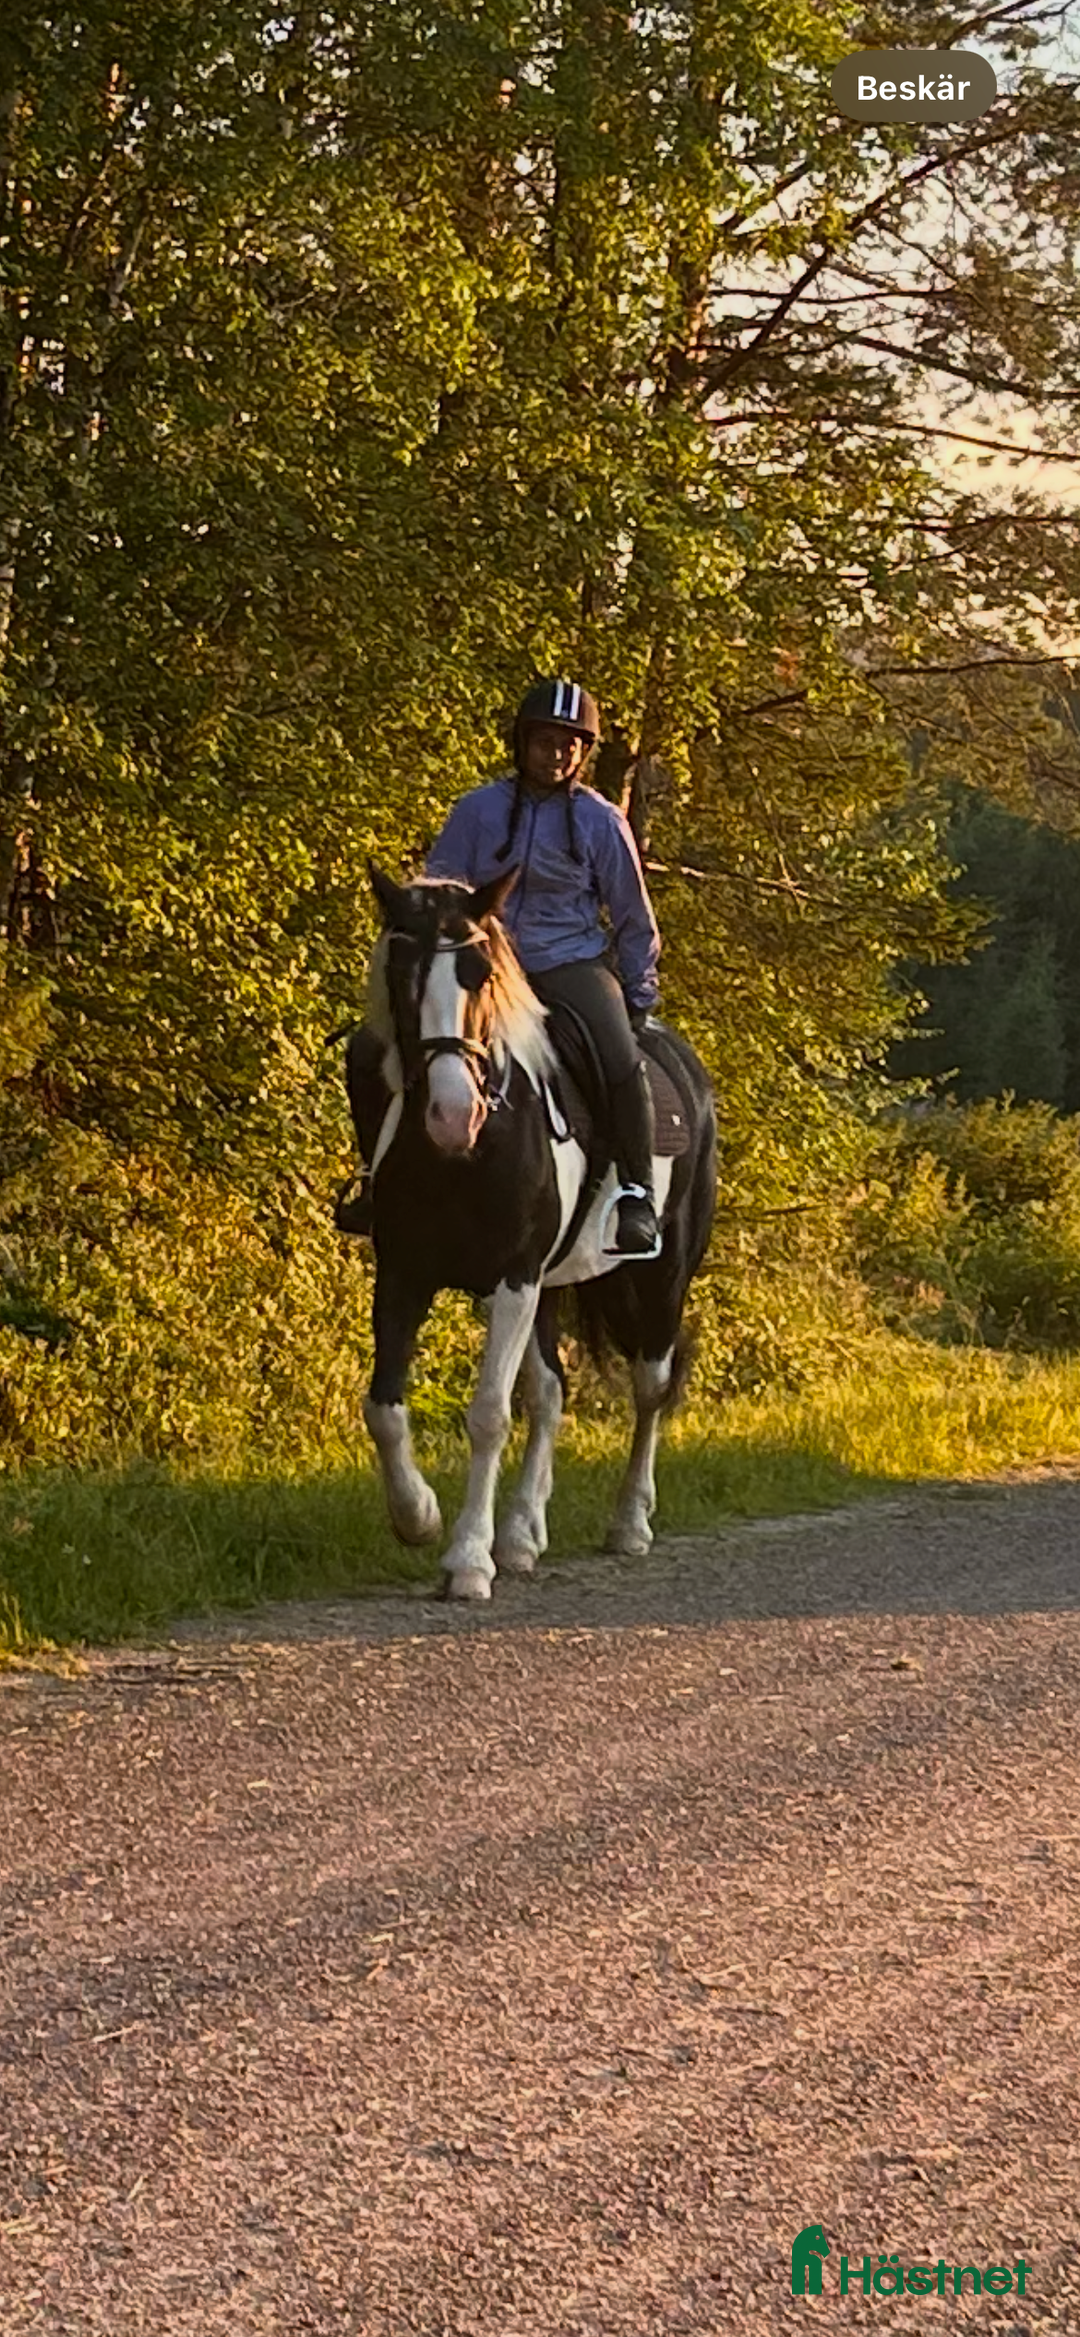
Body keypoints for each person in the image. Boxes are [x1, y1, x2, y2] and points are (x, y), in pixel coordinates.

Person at [337, 676, 663, 1255]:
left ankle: (635, 1194)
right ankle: (373, 1178)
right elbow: (438, 892)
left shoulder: (602, 822)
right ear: (521, 742)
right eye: (545, 740)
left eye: (570, 744)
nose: (557, 753)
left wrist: (637, 997)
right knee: (368, 1049)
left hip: (568, 962)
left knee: (619, 1056)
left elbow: (634, 917)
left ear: (584, 752)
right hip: (479, 965)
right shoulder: (477, 810)